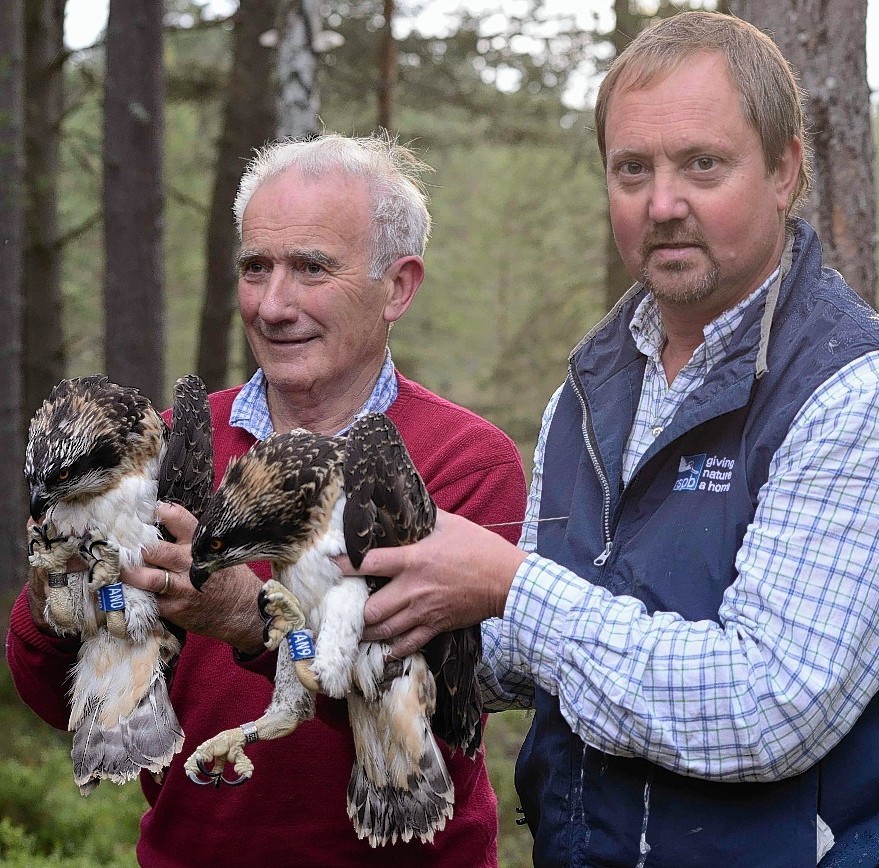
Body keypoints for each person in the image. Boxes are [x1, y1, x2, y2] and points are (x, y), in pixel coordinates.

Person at [343, 12, 879, 867]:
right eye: (631, 169)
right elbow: (528, 664)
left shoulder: (867, 394)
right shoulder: (587, 396)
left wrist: (507, 587)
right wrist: (306, 614)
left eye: (701, 165)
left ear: (785, 170)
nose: (663, 204)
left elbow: (765, 710)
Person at [7, 133, 527, 867]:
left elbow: (442, 714)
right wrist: (55, 585)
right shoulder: (166, 443)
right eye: (256, 267)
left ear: (398, 286)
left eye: (311, 268)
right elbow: (50, 697)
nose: (273, 304)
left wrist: (245, 618)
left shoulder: (462, 460)